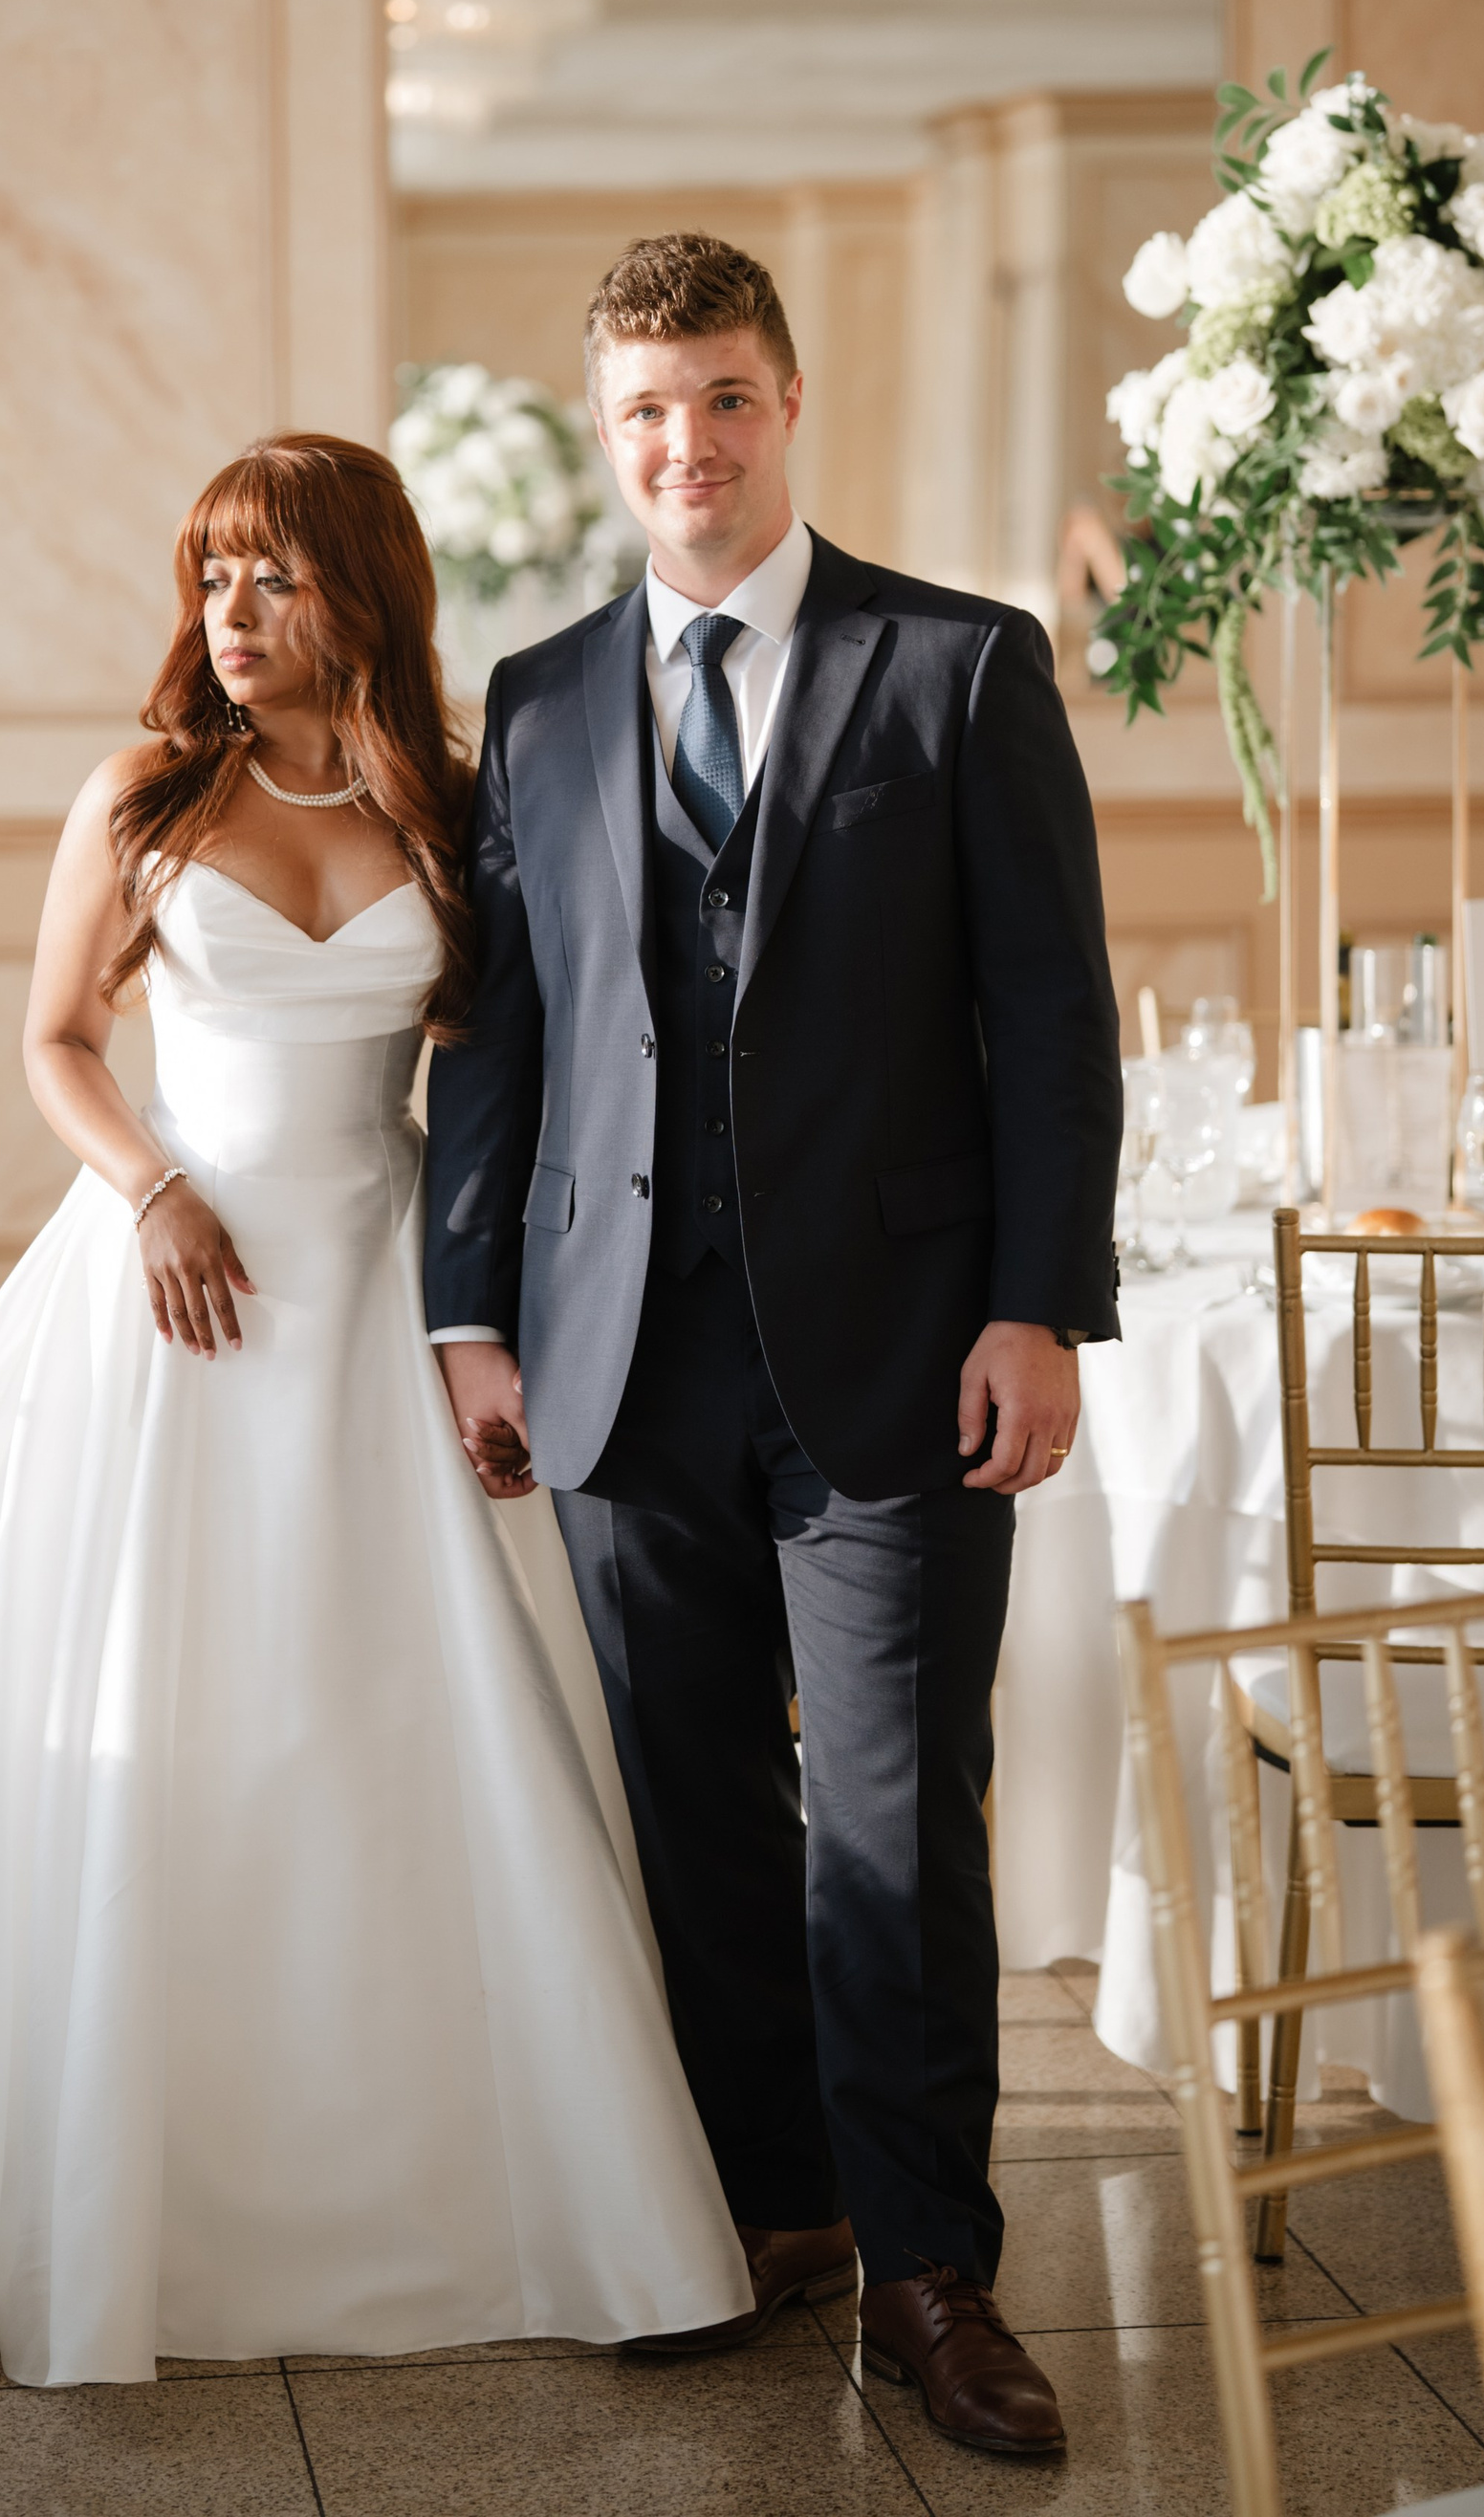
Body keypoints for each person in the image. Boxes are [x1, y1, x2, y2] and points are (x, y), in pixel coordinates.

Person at [0, 435, 750, 2385]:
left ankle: (452, 2178)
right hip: (181, 1290)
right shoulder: (145, 793)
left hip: (379, 1287)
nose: (230, 614)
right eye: (212, 577)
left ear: (360, 593)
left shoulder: (450, 803)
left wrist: (491, 1313)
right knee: (155, 1695)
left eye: (273, 578)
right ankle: (120, 2180)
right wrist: (150, 1190)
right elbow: (56, 1038)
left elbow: (505, 1066)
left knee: (398, 1713)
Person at [426, 236, 1123, 2460]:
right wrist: (468, 1310)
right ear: (602, 427)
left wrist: (1037, 1300)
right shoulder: (537, 698)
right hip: (616, 1358)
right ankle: (774, 2204)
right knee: (697, 1810)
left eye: (722, 396)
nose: (686, 444)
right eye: (645, 407)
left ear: (787, 402)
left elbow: (1048, 1018)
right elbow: (496, 1036)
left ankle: (931, 2266)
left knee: (894, 1823)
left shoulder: (958, 665)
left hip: (903, 1353)